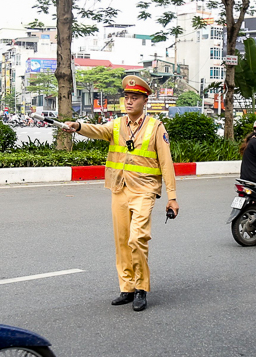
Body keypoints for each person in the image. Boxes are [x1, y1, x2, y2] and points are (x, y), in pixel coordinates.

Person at [60, 75, 178, 312]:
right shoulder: (116, 125)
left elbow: (166, 163)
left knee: (137, 239)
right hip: (119, 188)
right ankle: (127, 288)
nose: (129, 101)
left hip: (144, 190)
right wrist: (79, 126)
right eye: (127, 97)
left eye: (134, 97)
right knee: (122, 242)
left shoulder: (156, 127)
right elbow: (97, 130)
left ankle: (141, 288)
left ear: (145, 100)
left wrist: (172, 197)